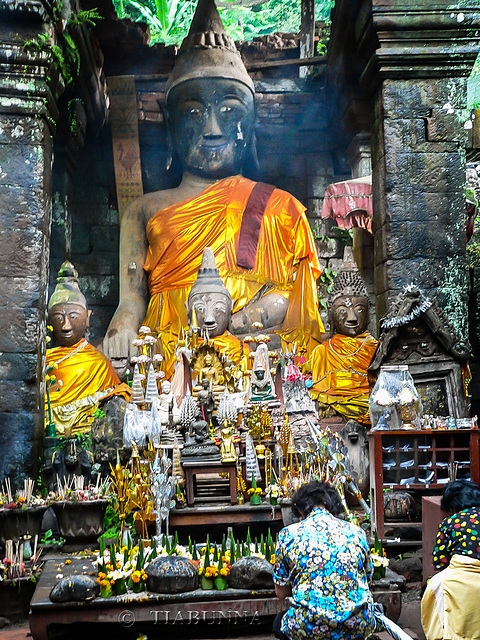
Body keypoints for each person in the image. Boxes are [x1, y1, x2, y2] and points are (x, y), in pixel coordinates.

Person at [102, 0, 324, 374]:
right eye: (192, 113)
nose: (212, 129)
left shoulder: (280, 206)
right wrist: (121, 328)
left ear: (251, 128)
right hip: (170, 355)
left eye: (230, 112)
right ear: (170, 127)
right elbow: (132, 299)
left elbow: (296, 298)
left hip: (249, 354)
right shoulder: (143, 210)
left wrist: (232, 325)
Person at [273, 481, 375, 640]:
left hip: (309, 627)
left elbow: (282, 592)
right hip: (356, 626)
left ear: (299, 509)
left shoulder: (288, 534)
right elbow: (366, 579)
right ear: (333, 507)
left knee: (278, 623)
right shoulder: (357, 532)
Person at [46, 262, 130, 435]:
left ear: (87, 319)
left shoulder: (98, 363)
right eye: (58, 318)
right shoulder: (43, 361)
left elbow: (115, 402)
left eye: (74, 317)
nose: (66, 326)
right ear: (47, 321)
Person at [308, 248, 377, 424]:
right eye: (342, 311)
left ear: (368, 315)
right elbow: (317, 394)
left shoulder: (376, 348)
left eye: (359, 310)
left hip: (368, 406)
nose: (352, 317)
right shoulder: (322, 352)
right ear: (331, 317)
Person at [421, 480, 480, 640]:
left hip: (459, 581)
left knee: (434, 587)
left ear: (453, 507)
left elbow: (439, 562)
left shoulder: (450, 523)